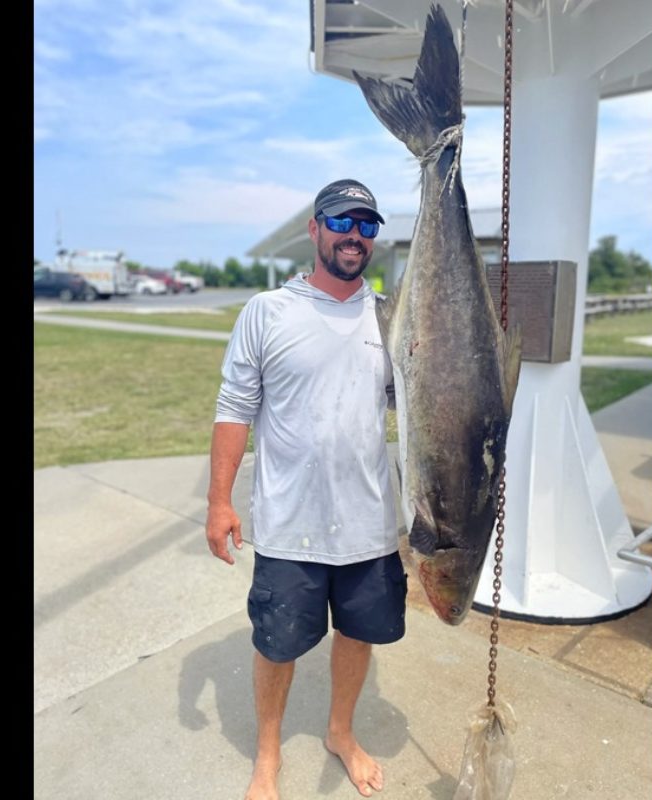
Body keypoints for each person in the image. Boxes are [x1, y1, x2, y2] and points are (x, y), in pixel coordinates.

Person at [206, 178, 404, 800]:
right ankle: (268, 754)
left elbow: (418, 402)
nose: (354, 235)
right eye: (342, 222)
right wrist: (218, 502)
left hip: (370, 519)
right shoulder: (267, 311)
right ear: (315, 228)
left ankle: (339, 732)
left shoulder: (388, 315)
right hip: (291, 522)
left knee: (359, 633)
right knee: (279, 641)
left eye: (366, 226)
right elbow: (235, 406)